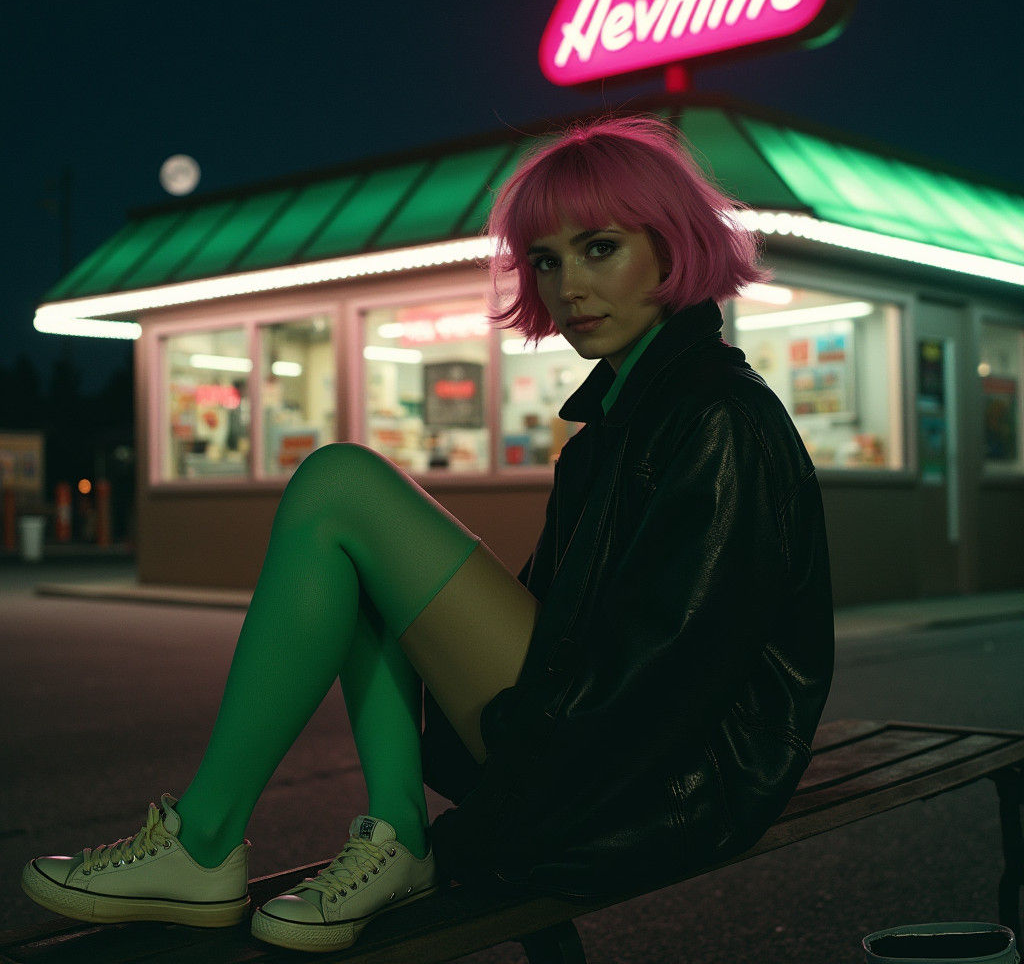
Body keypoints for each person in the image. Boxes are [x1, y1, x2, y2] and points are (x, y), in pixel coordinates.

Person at [21, 114, 835, 952]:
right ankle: (391, 834)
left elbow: (667, 684)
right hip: (607, 744)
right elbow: (576, 634)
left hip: (675, 786)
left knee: (338, 482)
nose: (568, 286)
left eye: (600, 248)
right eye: (547, 260)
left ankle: (203, 845)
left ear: (673, 245)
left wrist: (486, 838)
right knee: (355, 547)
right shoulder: (615, 428)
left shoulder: (718, 420)